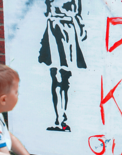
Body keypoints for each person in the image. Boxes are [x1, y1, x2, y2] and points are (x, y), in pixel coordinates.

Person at [38, 0, 87, 132]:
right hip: (53, 29)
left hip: (66, 31)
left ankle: (62, 118)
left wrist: (80, 29)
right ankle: (59, 119)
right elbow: (46, 10)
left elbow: (77, 12)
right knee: (55, 77)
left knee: (64, 78)